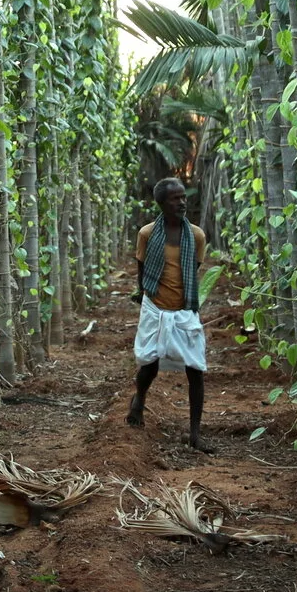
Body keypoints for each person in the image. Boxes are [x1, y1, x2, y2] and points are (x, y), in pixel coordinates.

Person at [126, 177, 212, 452]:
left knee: (195, 369)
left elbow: (193, 269)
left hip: (185, 308)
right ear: (162, 203)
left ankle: (195, 434)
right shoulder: (147, 234)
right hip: (155, 304)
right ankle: (139, 399)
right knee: (149, 364)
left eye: (183, 197)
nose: (182, 202)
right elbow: (141, 270)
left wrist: (181, 301)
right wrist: (146, 297)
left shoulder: (196, 236)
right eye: (175, 198)